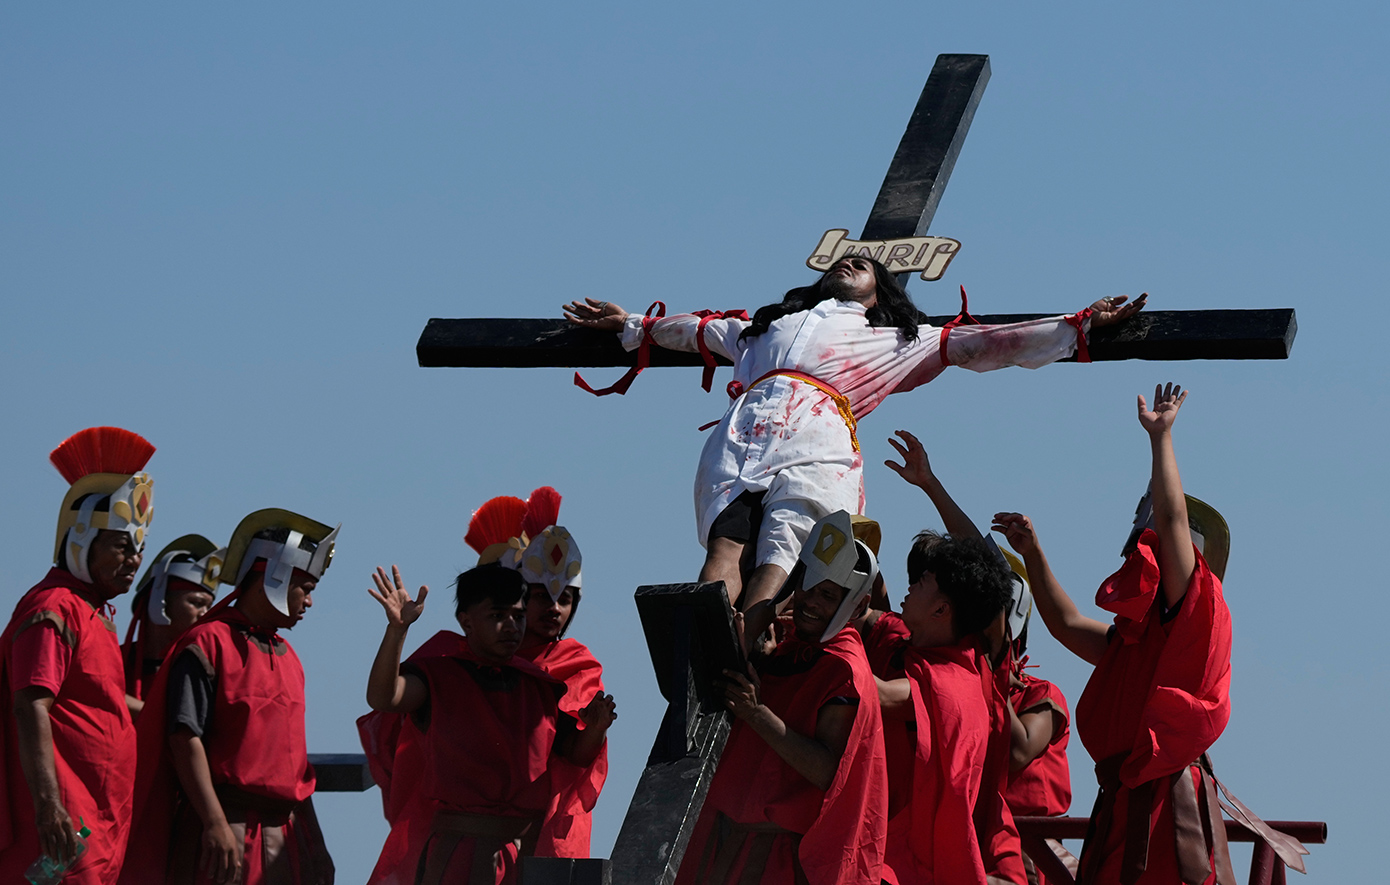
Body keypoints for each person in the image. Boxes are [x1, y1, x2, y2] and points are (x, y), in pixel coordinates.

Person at [564, 256, 1146, 613]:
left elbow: (991, 343)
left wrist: (1081, 326)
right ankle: (707, 636)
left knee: (783, 550)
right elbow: (693, 331)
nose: (848, 263)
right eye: (841, 263)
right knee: (726, 543)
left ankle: (750, 634)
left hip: (819, 436)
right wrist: (632, 325)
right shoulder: (764, 328)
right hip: (745, 432)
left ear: (881, 289)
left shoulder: (898, 336)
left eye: (863, 265)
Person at [991, 383, 1234, 885]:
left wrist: (1160, 440)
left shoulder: (1189, 618)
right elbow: (1063, 624)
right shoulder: (1133, 642)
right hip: (1124, 801)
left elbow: (1170, 519)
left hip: (1168, 807)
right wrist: (1032, 553)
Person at [359, 488, 611, 869]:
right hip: (459, 852)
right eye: (500, 615)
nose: (554, 609)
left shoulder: (542, 685)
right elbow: (385, 699)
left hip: (525, 853)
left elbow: (570, 753)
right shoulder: (444, 669)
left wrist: (594, 729)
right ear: (467, 621)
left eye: (517, 615)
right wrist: (396, 632)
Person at [122, 509, 338, 885]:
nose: (309, 602)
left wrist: (315, 843)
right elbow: (183, 737)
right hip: (224, 834)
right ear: (275, 575)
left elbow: (297, 767)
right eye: (306, 588)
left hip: (286, 839)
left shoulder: (291, 659)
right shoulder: (207, 643)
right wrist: (215, 822)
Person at [676, 510, 888, 885]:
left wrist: (757, 713)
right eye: (808, 584)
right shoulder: (791, 644)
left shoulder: (845, 671)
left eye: (828, 595)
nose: (810, 601)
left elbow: (827, 769)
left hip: (779, 862)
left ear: (855, 605)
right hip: (725, 848)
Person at [0, 426, 154, 884]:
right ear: (81, 541)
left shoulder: (91, 611)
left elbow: (95, 695)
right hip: (62, 817)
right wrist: (49, 805)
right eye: (122, 546)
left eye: (139, 549)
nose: (133, 561)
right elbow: (31, 703)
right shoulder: (55, 607)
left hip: (96, 816)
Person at [876, 530, 1015, 885]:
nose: (913, 584)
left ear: (941, 609)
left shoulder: (952, 682)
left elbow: (874, 695)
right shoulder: (911, 650)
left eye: (924, 580)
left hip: (907, 865)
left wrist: (834, 640)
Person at [122, 535, 222, 715]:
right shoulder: (113, 658)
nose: (205, 614)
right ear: (160, 601)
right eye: (196, 603)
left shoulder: (205, 672)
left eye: (209, 606)